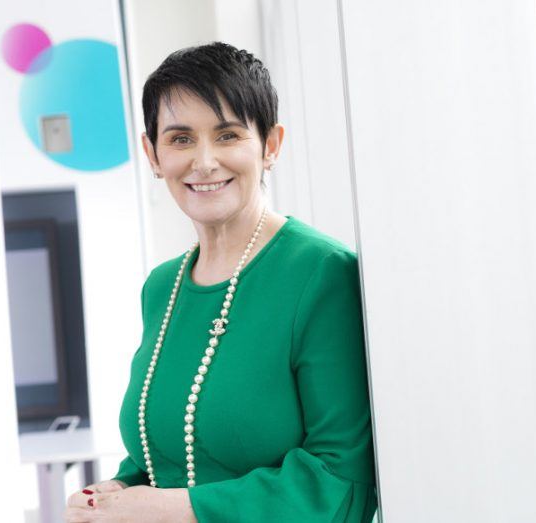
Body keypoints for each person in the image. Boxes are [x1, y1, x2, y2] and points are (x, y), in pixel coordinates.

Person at [64, 41, 377, 522]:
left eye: (228, 135)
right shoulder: (161, 287)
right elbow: (171, 452)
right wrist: (117, 491)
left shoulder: (321, 273)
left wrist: (172, 509)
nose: (204, 162)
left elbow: (342, 482)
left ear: (270, 145)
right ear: (152, 153)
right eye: (181, 139)